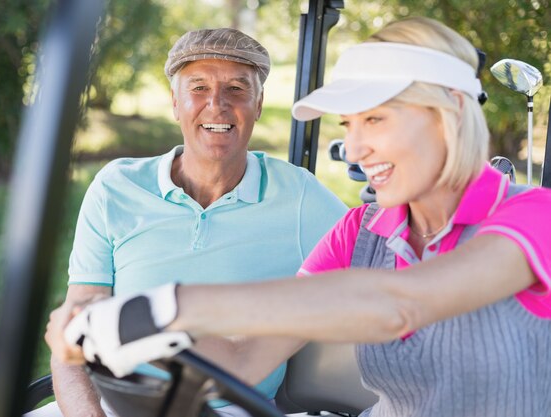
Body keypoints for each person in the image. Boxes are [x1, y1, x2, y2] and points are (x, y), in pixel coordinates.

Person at [49, 17, 551, 417]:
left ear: (453, 113)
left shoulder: (535, 218)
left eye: (375, 118)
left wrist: (166, 307)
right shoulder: (358, 233)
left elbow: (401, 305)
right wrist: (132, 336)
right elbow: (245, 359)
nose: (353, 147)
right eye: (347, 124)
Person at [31, 28, 347, 417]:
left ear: (259, 103)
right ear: (175, 104)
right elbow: (74, 324)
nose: (216, 105)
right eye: (198, 88)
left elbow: (378, 261)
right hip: (107, 403)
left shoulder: (299, 195)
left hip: (228, 408)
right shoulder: (116, 187)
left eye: (236, 88)